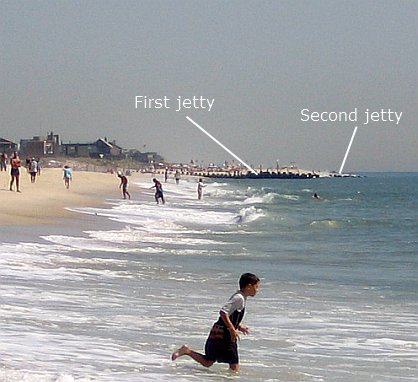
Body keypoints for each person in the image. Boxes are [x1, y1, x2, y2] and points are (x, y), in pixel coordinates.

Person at [171, 273, 260, 372]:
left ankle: (187, 351)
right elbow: (223, 312)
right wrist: (231, 329)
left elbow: (229, 315)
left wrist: (239, 326)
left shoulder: (241, 297)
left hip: (219, 331)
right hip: (224, 335)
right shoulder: (239, 298)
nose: (257, 290)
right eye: (256, 287)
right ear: (249, 286)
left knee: (208, 362)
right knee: (234, 366)